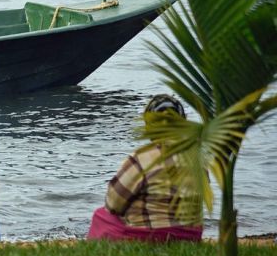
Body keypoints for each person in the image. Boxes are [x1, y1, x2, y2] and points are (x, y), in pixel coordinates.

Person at [87, 95, 203, 243]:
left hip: (152, 236)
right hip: (189, 236)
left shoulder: (142, 157)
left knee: (101, 215)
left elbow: (114, 203)